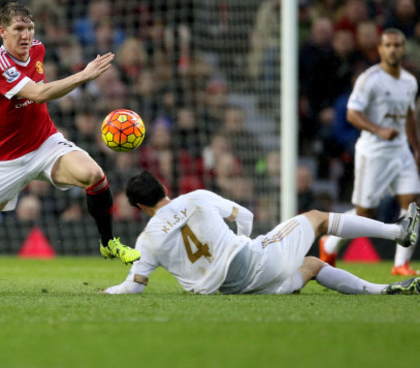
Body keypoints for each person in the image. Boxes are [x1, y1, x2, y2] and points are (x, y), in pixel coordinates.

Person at [0, 1, 140, 295]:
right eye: (18, 29)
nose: (25, 35)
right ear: (2, 32)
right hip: (4, 160)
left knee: (94, 174)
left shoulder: (37, 49)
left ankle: (108, 243)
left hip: (45, 144)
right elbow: (38, 94)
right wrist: (84, 74)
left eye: (29, 28)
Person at [103, 170, 420, 296]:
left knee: (311, 266)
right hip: (255, 263)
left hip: (236, 291)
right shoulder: (196, 198)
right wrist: (242, 241)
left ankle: (385, 290)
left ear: (140, 207)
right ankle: (398, 231)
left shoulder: (147, 239)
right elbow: (247, 216)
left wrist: (104, 293)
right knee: (317, 218)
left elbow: (133, 288)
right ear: (165, 189)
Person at [320, 28, 420, 276]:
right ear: (380, 49)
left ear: (403, 49)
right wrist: (379, 130)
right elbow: (352, 114)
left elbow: (409, 115)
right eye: (388, 45)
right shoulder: (369, 79)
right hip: (373, 151)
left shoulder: (409, 81)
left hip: (401, 152)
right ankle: (329, 243)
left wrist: (415, 148)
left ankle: (400, 264)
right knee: (366, 212)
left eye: (397, 45)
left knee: (413, 205)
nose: (393, 49)